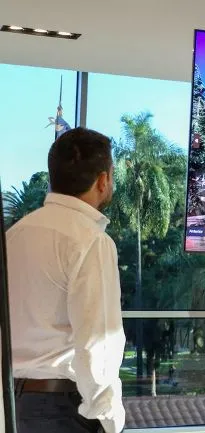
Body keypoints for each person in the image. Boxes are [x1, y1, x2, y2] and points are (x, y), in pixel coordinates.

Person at [7, 128, 126, 433]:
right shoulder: (91, 240)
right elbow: (97, 340)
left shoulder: (14, 236)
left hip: (13, 406)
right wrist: (109, 417)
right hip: (62, 409)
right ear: (103, 180)